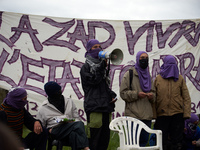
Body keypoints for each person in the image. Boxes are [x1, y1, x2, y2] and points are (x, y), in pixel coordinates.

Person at [80, 39, 117, 150]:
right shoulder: (85, 67)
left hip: (105, 106)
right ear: (89, 50)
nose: (98, 49)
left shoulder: (102, 66)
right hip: (94, 106)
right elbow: (93, 82)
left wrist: (111, 94)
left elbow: (103, 86)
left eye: (99, 47)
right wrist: (101, 67)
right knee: (94, 138)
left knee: (104, 138)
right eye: (95, 47)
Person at [36, 81, 90, 150]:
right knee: (79, 124)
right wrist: (50, 130)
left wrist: (69, 121)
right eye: (57, 92)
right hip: (55, 131)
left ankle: (85, 148)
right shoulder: (43, 108)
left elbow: (76, 118)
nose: (60, 93)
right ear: (51, 95)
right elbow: (42, 126)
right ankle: (86, 148)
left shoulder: (69, 101)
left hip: (70, 127)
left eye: (60, 90)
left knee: (74, 134)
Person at [154, 55, 191, 150]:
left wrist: (186, 113)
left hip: (177, 114)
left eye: (173, 64)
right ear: (165, 64)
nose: (171, 66)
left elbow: (186, 97)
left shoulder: (180, 79)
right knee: (162, 141)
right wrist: (154, 114)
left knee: (177, 141)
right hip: (162, 115)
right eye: (169, 64)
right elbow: (154, 98)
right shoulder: (158, 79)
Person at [120, 51, 156, 146]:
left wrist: (152, 96)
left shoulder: (148, 76)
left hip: (147, 116)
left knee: (143, 143)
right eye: (142, 58)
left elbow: (154, 93)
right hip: (133, 116)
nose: (145, 60)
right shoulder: (129, 74)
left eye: (146, 58)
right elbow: (123, 93)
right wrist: (136, 94)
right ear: (137, 59)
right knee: (133, 144)